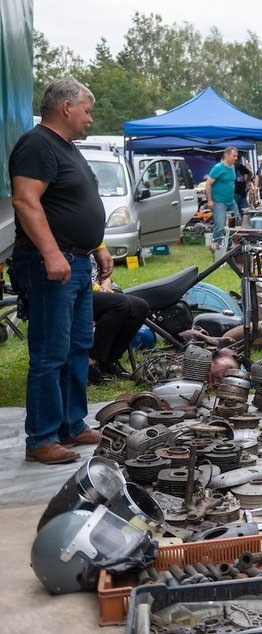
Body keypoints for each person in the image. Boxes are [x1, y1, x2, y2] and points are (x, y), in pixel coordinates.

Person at [8, 77, 108, 464]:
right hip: (51, 263)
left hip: (76, 261)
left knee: (78, 345)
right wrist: (52, 254)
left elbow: (74, 204)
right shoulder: (37, 145)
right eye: (86, 109)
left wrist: (97, 248)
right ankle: (42, 439)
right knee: (50, 352)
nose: (89, 117)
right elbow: (25, 200)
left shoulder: (66, 148)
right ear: (66, 108)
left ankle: (70, 423)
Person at [89, 276, 148, 385]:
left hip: (98, 290)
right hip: (76, 292)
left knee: (140, 306)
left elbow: (103, 273)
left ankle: (109, 361)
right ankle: (92, 362)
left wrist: (106, 283)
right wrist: (96, 287)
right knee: (121, 304)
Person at [205, 146, 239, 249]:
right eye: (234, 156)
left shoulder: (232, 167)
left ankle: (228, 247)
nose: (236, 158)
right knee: (219, 226)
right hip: (219, 202)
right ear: (226, 156)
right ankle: (216, 247)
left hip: (231, 201)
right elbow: (208, 184)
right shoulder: (218, 168)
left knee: (236, 223)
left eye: (236, 156)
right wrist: (210, 201)